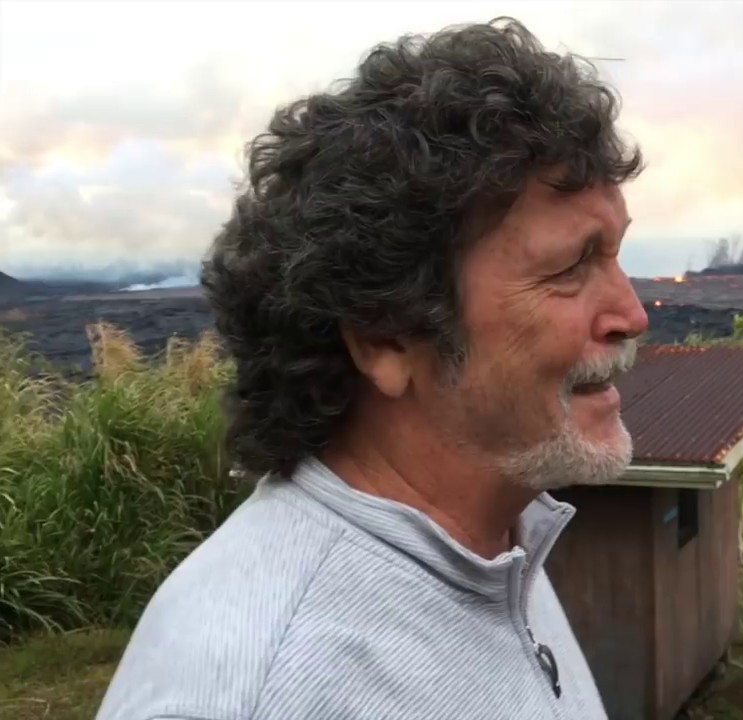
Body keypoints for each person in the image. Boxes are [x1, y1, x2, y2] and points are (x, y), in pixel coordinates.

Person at [96, 16, 647, 720]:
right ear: (386, 338)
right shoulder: (263, 682)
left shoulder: (499, 544)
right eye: (571, 266)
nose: (632, 314)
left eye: (615, 254)